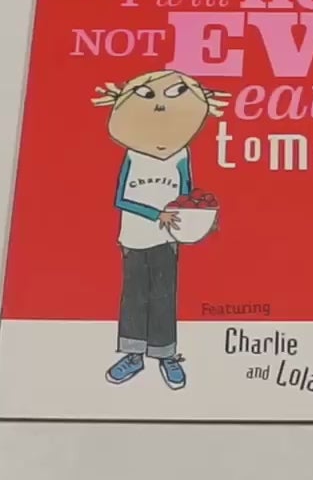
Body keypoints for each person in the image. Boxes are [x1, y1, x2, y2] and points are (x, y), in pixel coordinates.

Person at [93, 69, 229, 389]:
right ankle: (133, 355)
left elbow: (187, 195)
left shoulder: (181, 155)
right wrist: (157, 214)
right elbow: (121, 198)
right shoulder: (133, 155)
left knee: (164, 297)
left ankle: (166, 355)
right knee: (135, 296)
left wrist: (201, 220)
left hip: (168, 240)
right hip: (134, 237)